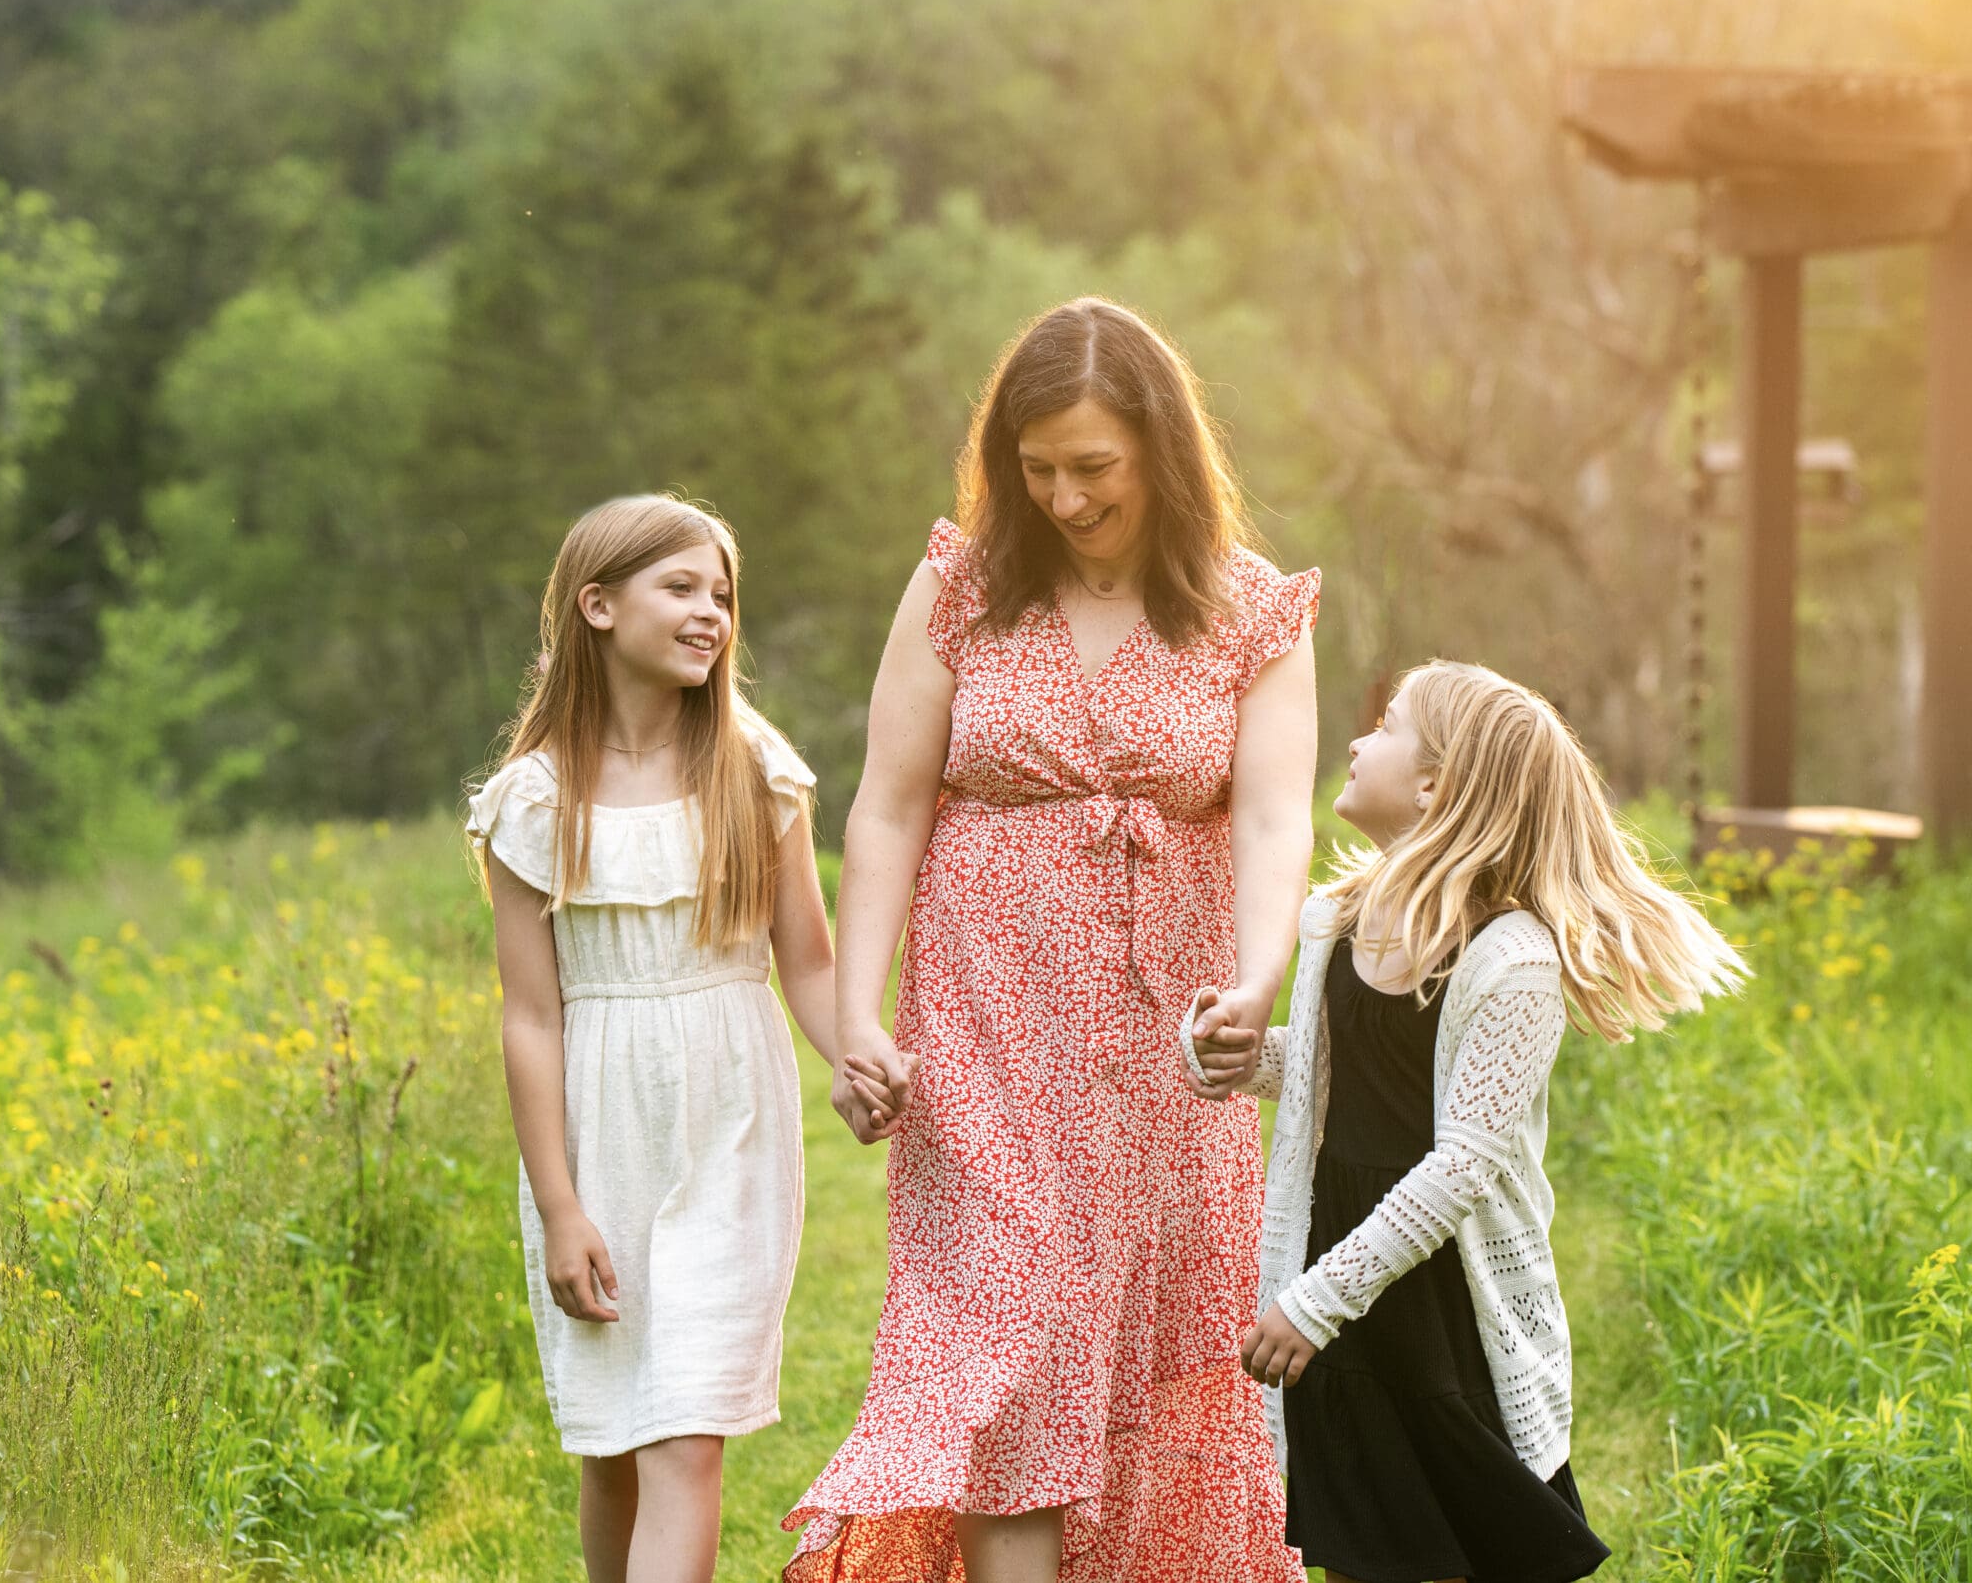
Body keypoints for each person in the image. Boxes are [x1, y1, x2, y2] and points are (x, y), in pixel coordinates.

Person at [784, 298, 1316, 1583]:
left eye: (1095, 469)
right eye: (1037, 469)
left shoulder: (1248, 612)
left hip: (1164, 1046)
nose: (1065, 499)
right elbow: (889, 803)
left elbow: (1270, 815)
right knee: (1005, 1341)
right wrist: (859, 1016)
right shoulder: (962, 584)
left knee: (1146, 1348)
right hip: (984, 1026)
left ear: (1161, 453)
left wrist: (1254, 980)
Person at [1191, 661, 1746, 1583]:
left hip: (1446, 1300)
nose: (1360, 739)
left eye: (1386, 724)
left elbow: (1462, 1166)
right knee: (1365, 1543)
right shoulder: (1337, 920)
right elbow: (1339, 1078)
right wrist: (1244, 1056)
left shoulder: (1512, 960)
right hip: (1344, 1258)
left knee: (1466, 1548)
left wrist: (1314, 1301)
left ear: (1433, 785)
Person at [468, 494, 888, 1583]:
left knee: (685, 1427)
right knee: (612, 1440)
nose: (711, 612)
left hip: (728, 1121)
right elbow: (529, 1013)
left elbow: (804, 953)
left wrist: (849, 1049)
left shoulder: (752, 769)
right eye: (682, 587)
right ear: (597, 604)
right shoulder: (534, 799)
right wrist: (562, 1205)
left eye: (722, 593)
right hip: (600, 1131)